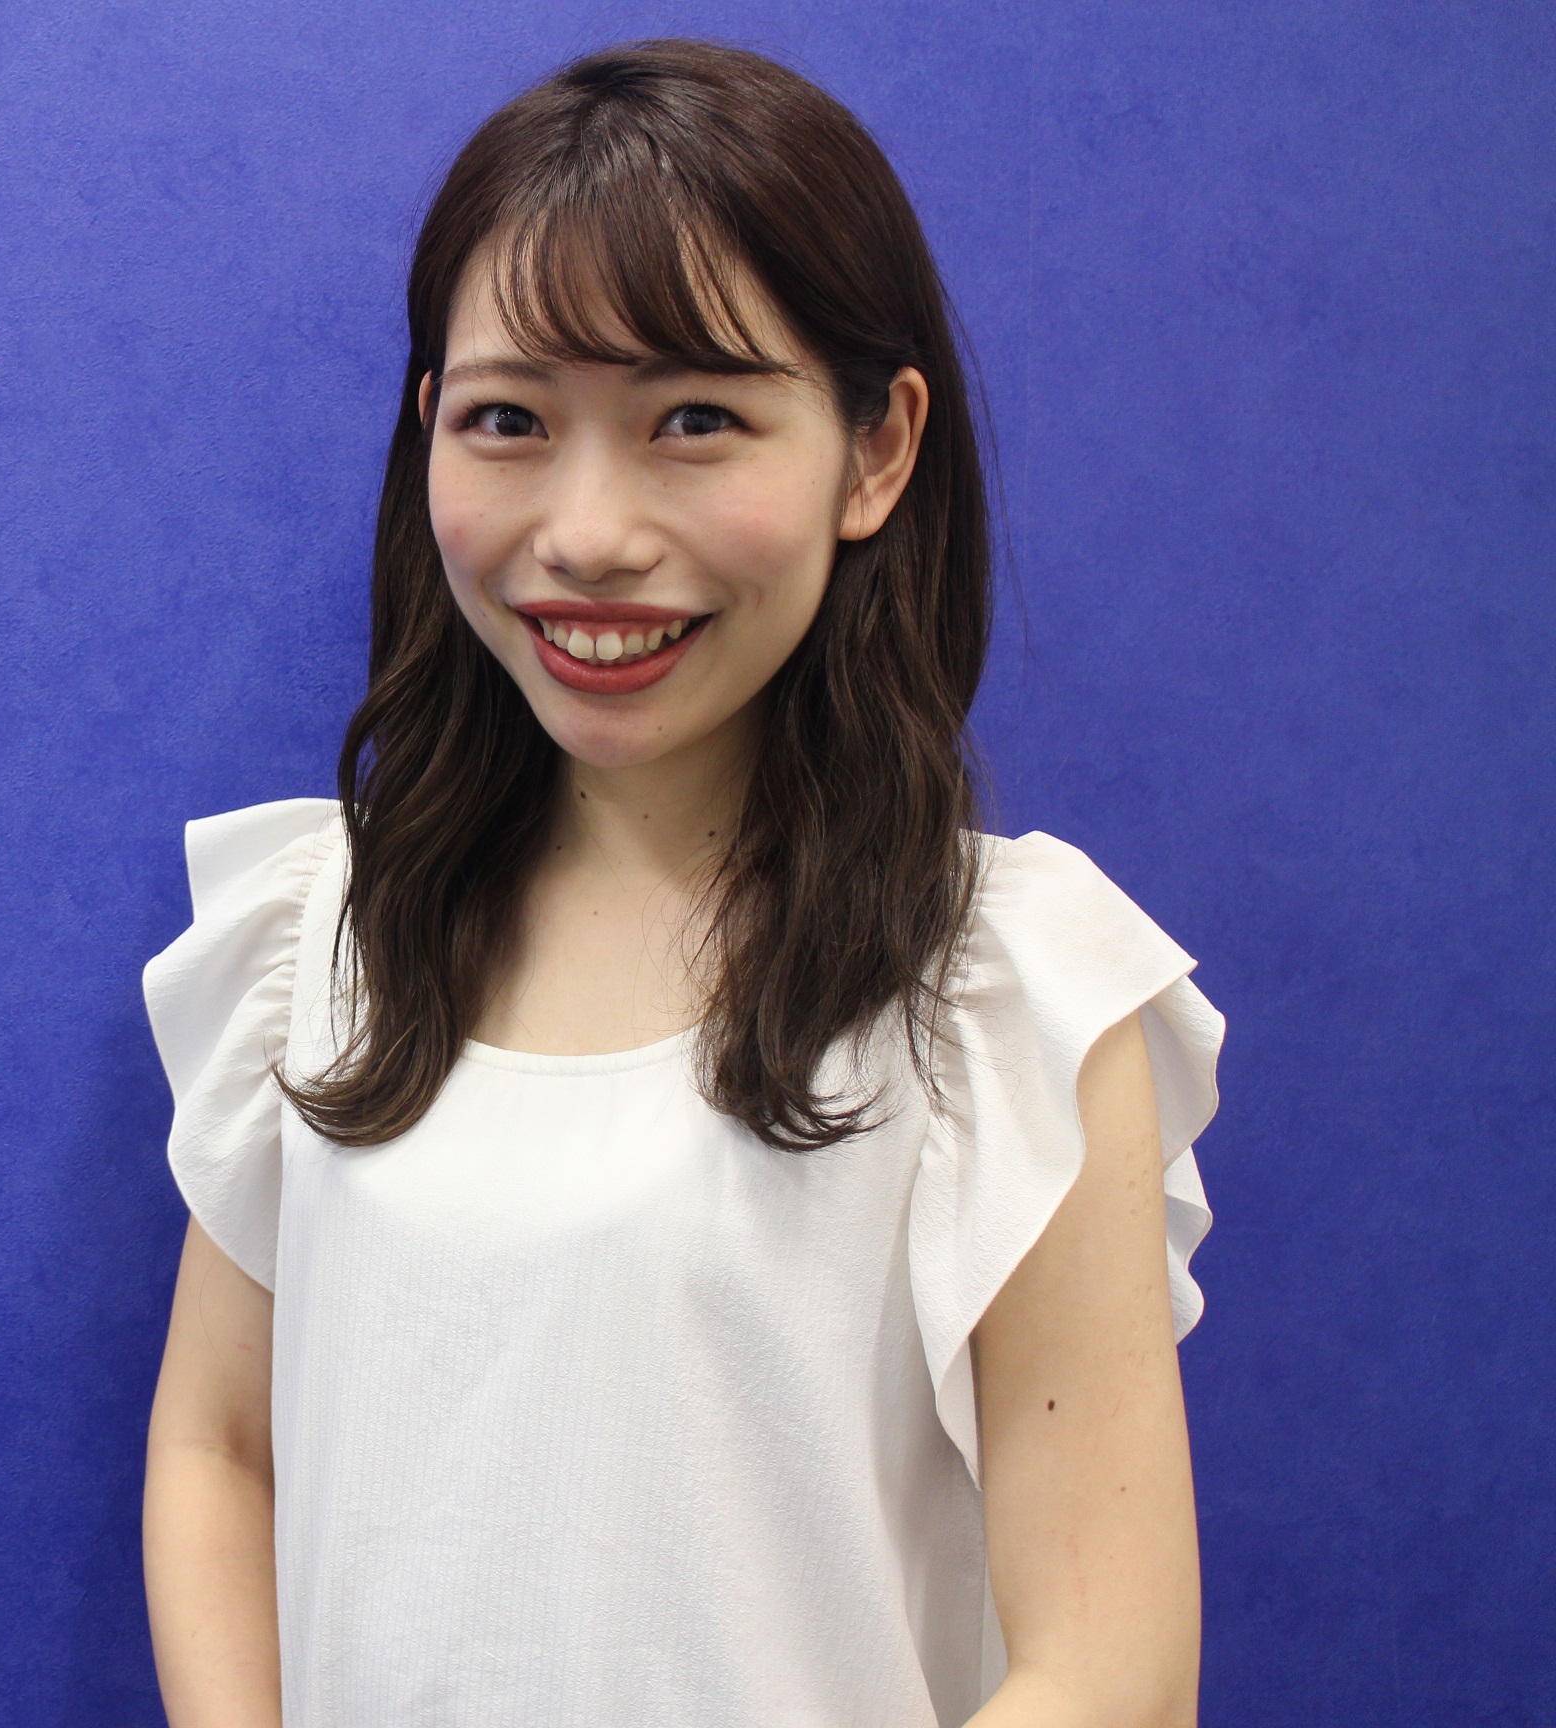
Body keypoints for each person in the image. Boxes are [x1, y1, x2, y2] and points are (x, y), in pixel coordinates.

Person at [138, 39, 1217, 1728]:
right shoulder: (328, 932)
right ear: (428, 431)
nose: (588, 533)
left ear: (876, 449)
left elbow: (1114, 1669)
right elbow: (222, 1449)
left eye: (695, 420)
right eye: (509, 421)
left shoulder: (1004, 994)